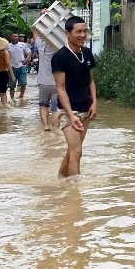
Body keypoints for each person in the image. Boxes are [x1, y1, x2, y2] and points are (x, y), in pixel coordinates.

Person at [52, 16, 97, 177]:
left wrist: (94, 103)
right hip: (68, 111)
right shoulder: (60, 57)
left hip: (85, 109)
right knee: (77, 151)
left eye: (85, 31)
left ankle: (61, 178)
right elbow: (60, 88)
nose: (83, 35)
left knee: (73, 151)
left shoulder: (87, 53)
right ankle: (74, 192)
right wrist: (70, 115)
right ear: (67, 33)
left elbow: (91, 80)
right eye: (78, 31)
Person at [35, 9, 59, 131]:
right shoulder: (60, 48)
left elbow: (35, 30)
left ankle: (45, 126)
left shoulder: (40, 45)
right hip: (58, 83)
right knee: (55, 109)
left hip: (44, 82)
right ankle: (55, 129)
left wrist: (40, 17)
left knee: (43, 105)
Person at [7, 33, 31, 99]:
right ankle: (12, 98)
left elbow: (29, 52)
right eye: (13, 36)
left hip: (22, 66)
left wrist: (27, 59)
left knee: (23, 83)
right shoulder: (8, 46)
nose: (15, 37)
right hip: (12, 67)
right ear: (11, 37)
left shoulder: (23, 45)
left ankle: (21, 96)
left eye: (16, 36)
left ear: (18, 37)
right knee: (12, 85)